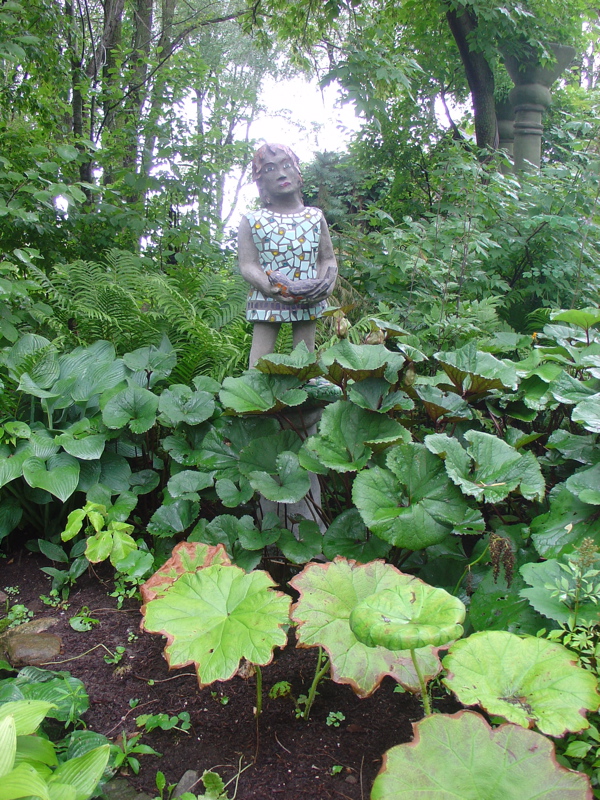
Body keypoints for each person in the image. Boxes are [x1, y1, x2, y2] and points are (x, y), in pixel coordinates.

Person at [238, 143, 338, 367]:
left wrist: (324, 285)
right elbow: (247, 264)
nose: (281, 174)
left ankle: (305, 396)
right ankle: (254, 396)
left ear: (297, 171)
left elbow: (327, 258)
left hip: (308, 296)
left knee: (304, 357)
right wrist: (268, 286)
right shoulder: (252, 219)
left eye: (286, 165)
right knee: (259, 362)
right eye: (270, 169)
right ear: (260, 181)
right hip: (267, 297)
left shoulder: (314, 216)